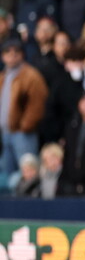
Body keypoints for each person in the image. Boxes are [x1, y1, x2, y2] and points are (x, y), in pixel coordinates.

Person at [0, 39, 49, 176]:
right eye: (7, 52)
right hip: (4, 132)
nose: (12, 55)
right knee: (6, 173)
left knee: (28, 173)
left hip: (23, 134)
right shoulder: (3, 76)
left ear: (22, 54)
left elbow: (38, 104)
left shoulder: (31, 75)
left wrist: (26, 125)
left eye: (16, 51)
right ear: (2, 56)